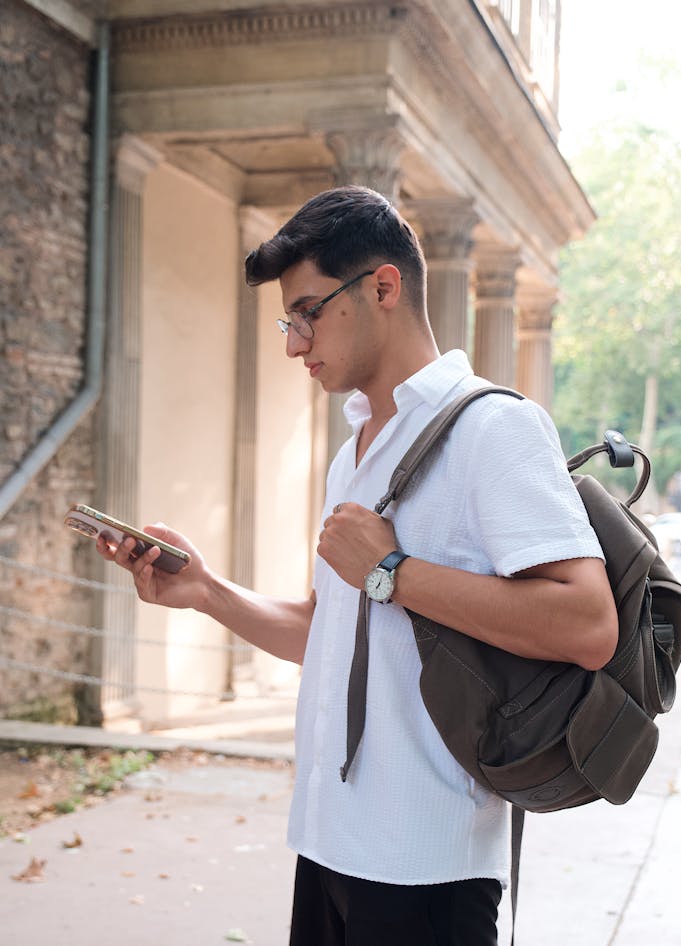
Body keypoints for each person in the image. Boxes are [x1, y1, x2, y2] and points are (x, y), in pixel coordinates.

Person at [98, 185, 618, 945]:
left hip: (428, 867)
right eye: (288, 319)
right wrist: (207, 591)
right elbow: (330, 634)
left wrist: (392, 570)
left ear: (383, 287)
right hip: (329, 845)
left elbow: (589, 622)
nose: (293, 343)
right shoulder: (356, 453)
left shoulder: (494, 428)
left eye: (307, 312)